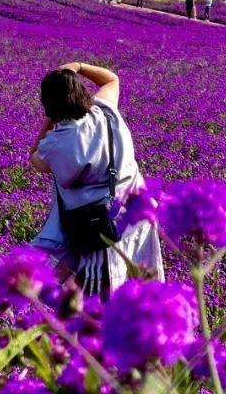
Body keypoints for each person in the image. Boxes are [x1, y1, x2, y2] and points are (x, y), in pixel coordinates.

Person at [29, 62, 164, 297]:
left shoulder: (57, 143)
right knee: (140, 290)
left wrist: (49, 121)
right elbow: (111, 80)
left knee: (99, 301)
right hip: (136, 215)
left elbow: (35, 159)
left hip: (98, 230)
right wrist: (78, 67)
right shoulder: (105, 111)